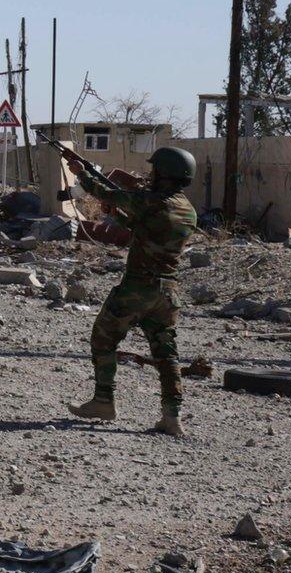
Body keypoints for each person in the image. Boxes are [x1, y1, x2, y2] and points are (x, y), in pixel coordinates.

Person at [67, 146, 199, 435]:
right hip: (168, 292)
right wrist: (121, 216)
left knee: (103, 338)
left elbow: (108, 194)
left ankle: (103, 401)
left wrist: (83, 175)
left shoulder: (152, 200)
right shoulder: (187, 210)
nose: (151, 174)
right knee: (166, 353)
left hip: (138, 287)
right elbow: (148, 229)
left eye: (155, 170)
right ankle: (172, 417)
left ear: (164, 173)